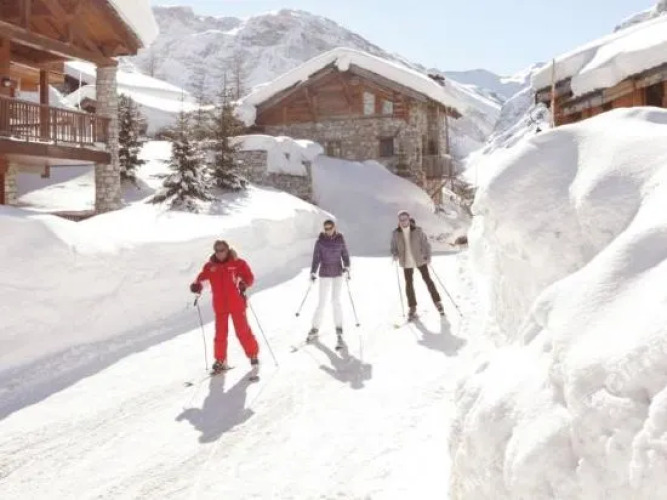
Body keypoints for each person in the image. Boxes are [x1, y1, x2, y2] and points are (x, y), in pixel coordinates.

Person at [190, 240, 259, 375]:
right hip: (220, 305)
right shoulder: (210, 266)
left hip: (236, 303)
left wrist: (244, 283)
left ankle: (253, 354)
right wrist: (196, 286)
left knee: (243, 330)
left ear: (227, 250)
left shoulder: (237, 263)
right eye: (217, 250)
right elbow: (201, 279)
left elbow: (249, 277)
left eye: (222, 250)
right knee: (220, 334)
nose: (219, 253)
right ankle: (220, 360)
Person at [390, 210, 444, 320]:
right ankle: (412, 307)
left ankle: (437, 302)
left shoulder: (417, 230)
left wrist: (428, 256)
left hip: (420, 259)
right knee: (409, 284)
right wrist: (395, 254)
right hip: (406, 261)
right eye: (401, 219)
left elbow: (426, 244)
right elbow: (393, 247)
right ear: (399, 220)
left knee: (428, 280)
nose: (403, 221)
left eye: (405, 218)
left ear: (409, 218)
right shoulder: (396, 233)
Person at [306, 219, 351, 349]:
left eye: (330, 227)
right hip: (325, 273)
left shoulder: (340, 239)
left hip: (337, 273)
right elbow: (316, 258)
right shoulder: (320, 242)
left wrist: (347, 267)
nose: (328, 230)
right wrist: (313, 272)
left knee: (335, 301)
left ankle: (339, 329)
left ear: (334, 227)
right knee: (322, 302)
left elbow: (345, 255)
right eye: (325, 228)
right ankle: (315, 328)